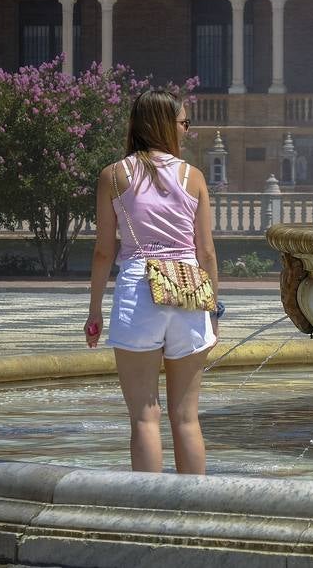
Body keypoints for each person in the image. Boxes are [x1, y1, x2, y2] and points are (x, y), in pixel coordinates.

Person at [85, 90, 219, 474]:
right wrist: (214, 311)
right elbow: (206, 252)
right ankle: (194, 514)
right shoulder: (192, 176)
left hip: (139, 292)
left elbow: (102, 252)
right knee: (187, 418)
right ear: (163, 124)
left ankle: (148, 512)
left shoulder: (113, 176)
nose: (187, 130)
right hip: (189, 292)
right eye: (184, 123)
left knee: (145, 416)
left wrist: (94, 312)